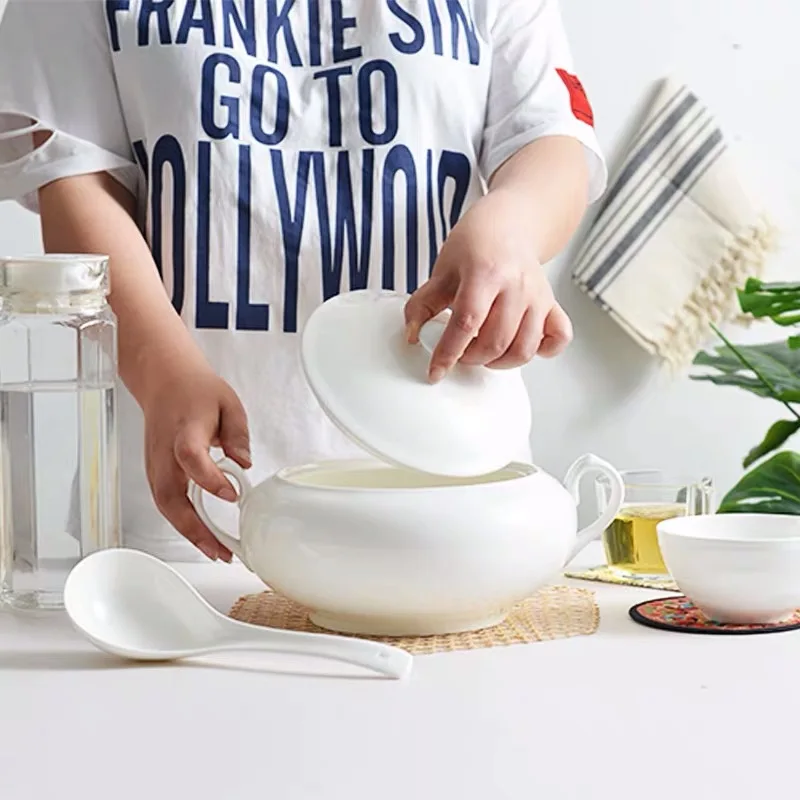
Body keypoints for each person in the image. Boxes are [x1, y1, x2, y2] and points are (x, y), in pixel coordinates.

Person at [0, 0, 606, 563]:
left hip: (462, 509)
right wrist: (163, 372)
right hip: (202, 505)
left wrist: (510, 228)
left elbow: (549, 139)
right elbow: (77, 177)